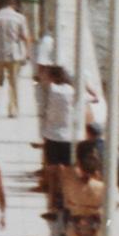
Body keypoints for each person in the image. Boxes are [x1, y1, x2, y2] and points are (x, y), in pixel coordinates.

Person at [37, 65, 76, 220]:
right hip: (68, 137)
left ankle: (53, 207)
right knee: (67, 174)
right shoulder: (72, 91)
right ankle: (67, 205)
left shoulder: (52, 90)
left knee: (52, 174)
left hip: (53, 136)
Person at [0, 0, 30, 117]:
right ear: (14, 5)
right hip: (14, 55)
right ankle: (13, 110)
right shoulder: (19, 18)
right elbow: (25, 38)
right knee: (13, 83)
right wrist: (27, 53)